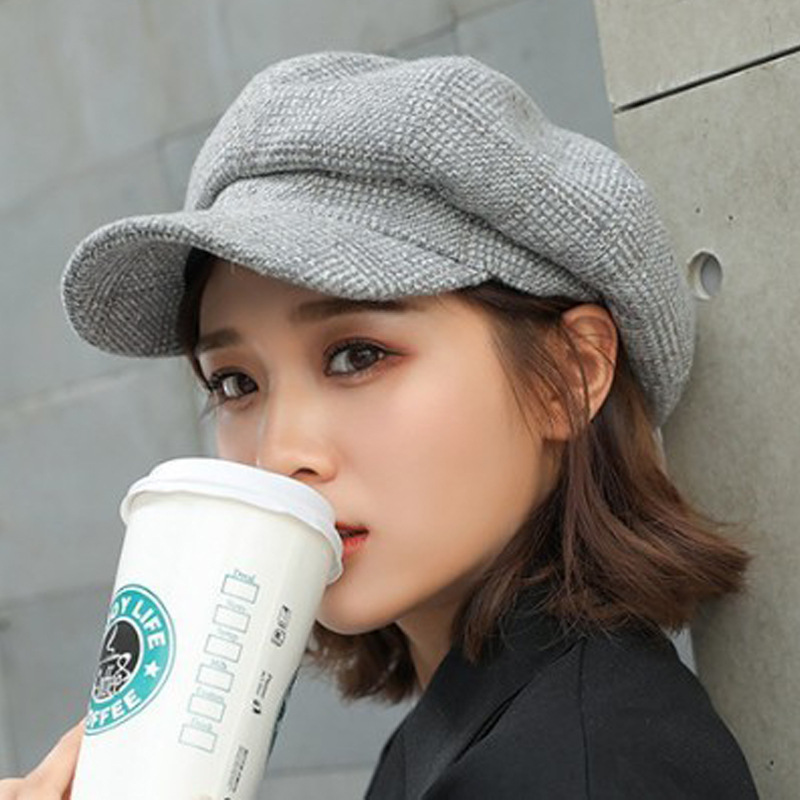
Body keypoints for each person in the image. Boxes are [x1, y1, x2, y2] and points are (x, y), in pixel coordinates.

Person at [2, 51, 759, 798]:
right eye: (236, 382)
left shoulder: (580, 766)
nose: (280, 453)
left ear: (571, 373)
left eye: (357, 355)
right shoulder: (471, 724)